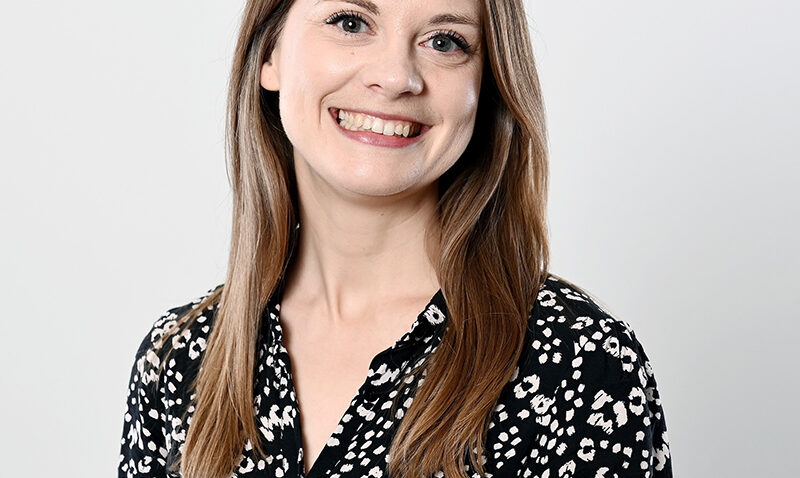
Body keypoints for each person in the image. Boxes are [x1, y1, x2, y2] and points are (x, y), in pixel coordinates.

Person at [117, 0, 673, 477]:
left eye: (445, 40)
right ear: (269, 54)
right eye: (351, 22)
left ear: (488, 86)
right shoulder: (180, 358)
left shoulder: (578, 366)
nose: (396, 76)